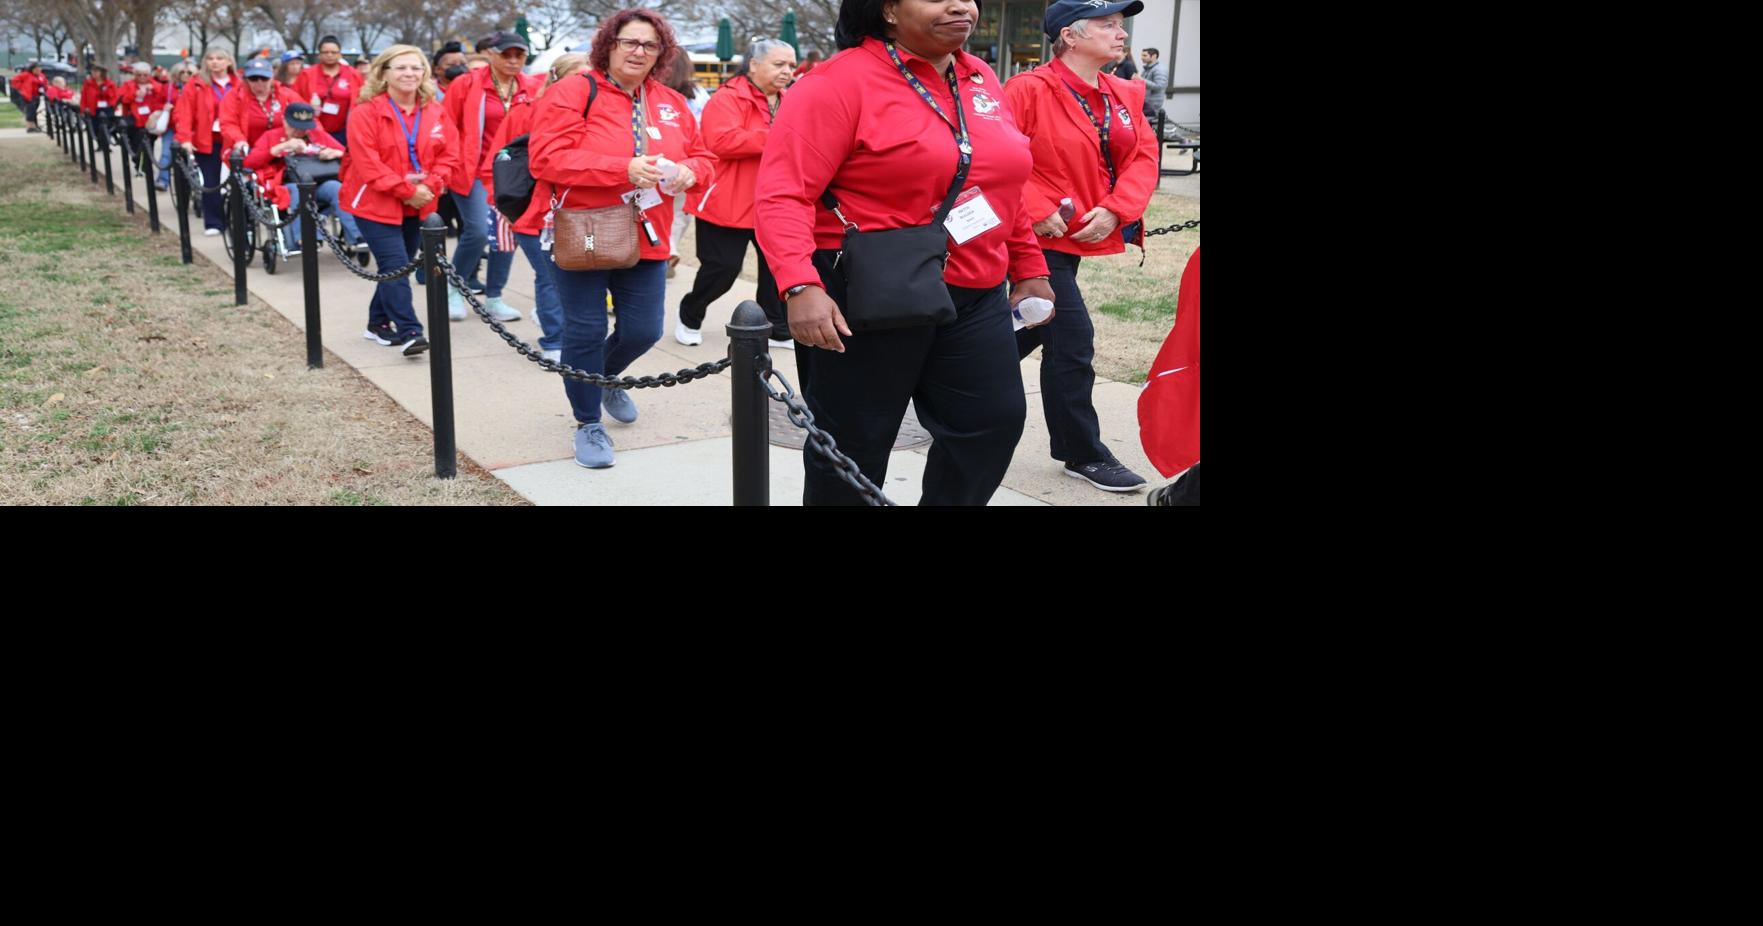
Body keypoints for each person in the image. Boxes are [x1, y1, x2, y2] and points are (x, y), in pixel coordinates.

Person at [755, 0, 1055, 506]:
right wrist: (799, 283)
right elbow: (783, 192)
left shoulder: (979, 75)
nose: (962, 5)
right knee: (853, 446)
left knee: (991, 424)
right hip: (869, 291)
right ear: (889, 10)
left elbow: (1001, 183)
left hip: (974, 290)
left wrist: (1029, 264)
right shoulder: (836, 83)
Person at [528, 6, 716, 469]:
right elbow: (547, 159)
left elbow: (705, 156)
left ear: (662, 53)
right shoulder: (574, 91)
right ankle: (587, 422)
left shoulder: (670, 101)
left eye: (650, 45)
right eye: (629, 42)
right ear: (608, 44)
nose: (639, 51)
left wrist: (691, 172)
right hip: (584, 229)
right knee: (586, 329)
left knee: (644, 329)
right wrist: (621, 169)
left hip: (648, 232)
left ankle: (604, 377)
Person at [1002, 0, 1156, 492]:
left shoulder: (1123, 91)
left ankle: (947, 377)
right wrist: (1036, 205)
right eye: (1107, 25)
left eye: (1121, 25)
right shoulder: (1026, 89)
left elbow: (1143, 156)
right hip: (1030, 237)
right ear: (1069, 35)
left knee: (1026, 327)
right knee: (1072, 338)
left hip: (1077, 238)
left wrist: (1117, 208)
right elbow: (996, 153)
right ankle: (1080, 451)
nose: (1121, 33)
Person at [339, 45, 461, 357]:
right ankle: (410, 331)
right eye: (401, 68)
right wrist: (408, 190)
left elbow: (449, 155)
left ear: (425, 73)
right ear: (384, 74)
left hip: (419, 203)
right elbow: (369, 166)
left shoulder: (435, 110)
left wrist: (431, 185)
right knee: (394, 265)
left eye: (415, 67)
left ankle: (377, 323)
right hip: (375, 204)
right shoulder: (366, 112)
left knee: (400, 267)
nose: (409, 74)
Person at [675, 37, 794, 348]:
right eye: (779, 64)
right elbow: (721, 141)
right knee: (722, 269)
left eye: (791, 65)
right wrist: (779, 136)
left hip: (774, 200)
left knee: (777, 269)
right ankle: (691, 313)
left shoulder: (789, 98)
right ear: (753, 65)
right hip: (727, 199)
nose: (787, 71)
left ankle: (776, 327)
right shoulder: (728, 98)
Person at [490, 52, 593, 363]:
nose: (585, 84)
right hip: (533, 211)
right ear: (558, 78)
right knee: (550, 276)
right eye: (579, 76)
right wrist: (504, 205)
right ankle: (554, 338)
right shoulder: (525, 113)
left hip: (581, 211)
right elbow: (498, 159)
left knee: (576, 277)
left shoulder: (599, 112)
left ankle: (563, 327)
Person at [442, 29, 537, 324]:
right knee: (478, 231)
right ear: (490, 54)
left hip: (512, 174)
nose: (512, 60)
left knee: (507, 235)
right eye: (506, 54)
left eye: (518, 55)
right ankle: (454, 288)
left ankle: (494, 296)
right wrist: (452, 164)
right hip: (472, 170)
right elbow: (447, 126)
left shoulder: (531, 86)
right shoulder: (466, 84)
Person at [243, 101, 362, 257]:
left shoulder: (318, 135)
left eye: (304, 127)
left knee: (336, 188)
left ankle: (357, 237)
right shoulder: (271, 136)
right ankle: (308, 238)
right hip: (285, 185)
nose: (300, 131)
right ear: (285, 121)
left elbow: (348, 154)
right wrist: (279, 148)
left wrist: (336, 153)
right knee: (298, 192)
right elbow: (249, 163)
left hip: (319, 182)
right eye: (295, 126)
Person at [659, 50, 711, 279]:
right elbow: (706, 128)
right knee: (678, 213)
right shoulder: (698, 94)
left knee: (650, 212)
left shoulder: (654, 92)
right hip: (686, 163)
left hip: (655, 160)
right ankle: (669, 249)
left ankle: (661, 251)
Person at [175, 48, 238, 236]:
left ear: (229, 61)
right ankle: (214, 222)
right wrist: (185, 138)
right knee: (210, 182)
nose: (215, 62)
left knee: (235, 181)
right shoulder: (196, 84)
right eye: (211, 58)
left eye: (220, 58)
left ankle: (236, 219)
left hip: (233, 139)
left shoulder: (239, 83)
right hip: (207, 139)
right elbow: (184, 113)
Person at [221, 56, 304, 157]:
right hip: (248, 150)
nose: (259, 82)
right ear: (246, 79)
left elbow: (306, 117)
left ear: (272, 77)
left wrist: (320, 141)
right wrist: (239, 140)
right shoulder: (234, 96)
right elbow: (228, 123)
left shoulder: (286, 95)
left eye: (264, 78)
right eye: (253, 78)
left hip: (282, 150)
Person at [294, 36, 363, 148]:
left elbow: (361, 101)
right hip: (313, 130)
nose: (329, 55)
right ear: (319, 54)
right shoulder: (307, 74)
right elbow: (296, 100)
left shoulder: (353, 74)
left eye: (333, 52)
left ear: (340, 54)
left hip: (345, 131)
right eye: (325, 52)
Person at [117, 62, 168, 166]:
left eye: (145, 75)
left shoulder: (156, 85)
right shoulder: (128, 85)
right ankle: (138, 162)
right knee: (135, 143)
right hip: (134, 119)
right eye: (139, 74)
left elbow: (163, 98)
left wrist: (154, 89)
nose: (142, 77)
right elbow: (122, 99)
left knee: (149, 144)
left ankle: (146, 165)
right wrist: (134, 94)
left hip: (150, 120)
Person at [155, 62, 193, 190]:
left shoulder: (197, 88)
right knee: (166, 153)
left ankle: (191, 185)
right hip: (172, 127)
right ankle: (162, 180)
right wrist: (164, 108)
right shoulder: (168, 88)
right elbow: (157, 104)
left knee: (191, 158)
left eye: (189, 73)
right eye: (182, 72)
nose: (186, 75)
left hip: (191, 128)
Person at [80, 63, 119, 151]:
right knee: (95, 127)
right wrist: (84, 107)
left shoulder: (109, 83)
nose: (94, 73)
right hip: (93, 108)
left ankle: (106, 145)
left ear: (102, 73)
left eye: (96, 71)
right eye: (93, 71)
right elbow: (84, 96)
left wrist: (111, 102)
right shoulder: (88, 83)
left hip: (107, 108)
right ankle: (100, 144)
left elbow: (115, 96)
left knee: (106, 127)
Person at [11, 62, 44, 132]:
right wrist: (22, 88)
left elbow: (44, 83)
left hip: (37, 96)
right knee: (30, 111)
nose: (38, 71)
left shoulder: (41, 76)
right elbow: (14, 81)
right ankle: (30, 127)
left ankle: (35, 126)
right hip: (28, 96)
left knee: (35, 111)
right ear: (32, 69)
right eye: (36, 69)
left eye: (39, 69)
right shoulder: (26, 75)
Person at [1137, 47, 1167, 122]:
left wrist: (1141, 80)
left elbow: (1160, 86)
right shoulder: (1147, 68)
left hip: (1153, 105)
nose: (1141, 58)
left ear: (1154, 56)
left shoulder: (1160, 69)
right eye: (1142, 55)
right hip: (1146, 103)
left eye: (1144, 55)